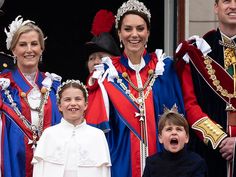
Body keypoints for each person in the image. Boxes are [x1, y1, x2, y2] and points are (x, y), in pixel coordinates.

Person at [85, 0, 185, 177]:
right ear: (119, 33)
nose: (134, 34)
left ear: (148, 32)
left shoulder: (165, 68)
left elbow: (178, 120)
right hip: (120, 165)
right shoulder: (106, 74)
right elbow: (95, 131)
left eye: (140, 28)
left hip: (164, 165)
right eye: (128, 29)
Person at [175, 0, 236, 177]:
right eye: (226, 1)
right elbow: (190, 104)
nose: (232, 6)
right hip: (209, 154)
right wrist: (220, 139)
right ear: (216, 7)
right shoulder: (196, 52)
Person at [0, 15, 62, 177]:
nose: (29, 50)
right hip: (13, 162)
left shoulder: (55, 87)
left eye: (34, 44)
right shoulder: (3, 87)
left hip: (51, 163)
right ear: (13, 49)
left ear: (41, 48)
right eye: (22, 45)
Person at [32, 79, 111, 177]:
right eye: (67, 99)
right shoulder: (49, 134)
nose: (73, 103)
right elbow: (39, 171)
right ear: (60, 106)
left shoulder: (97, 135)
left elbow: (104, 172)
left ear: (86, 105)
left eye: (78, 99)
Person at [142, 105, 208, 177]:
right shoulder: (151, 163)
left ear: (187, 138)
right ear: (160, 138)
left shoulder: (197, 163)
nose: (174, 132)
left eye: (179, 129)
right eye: (169, 129)